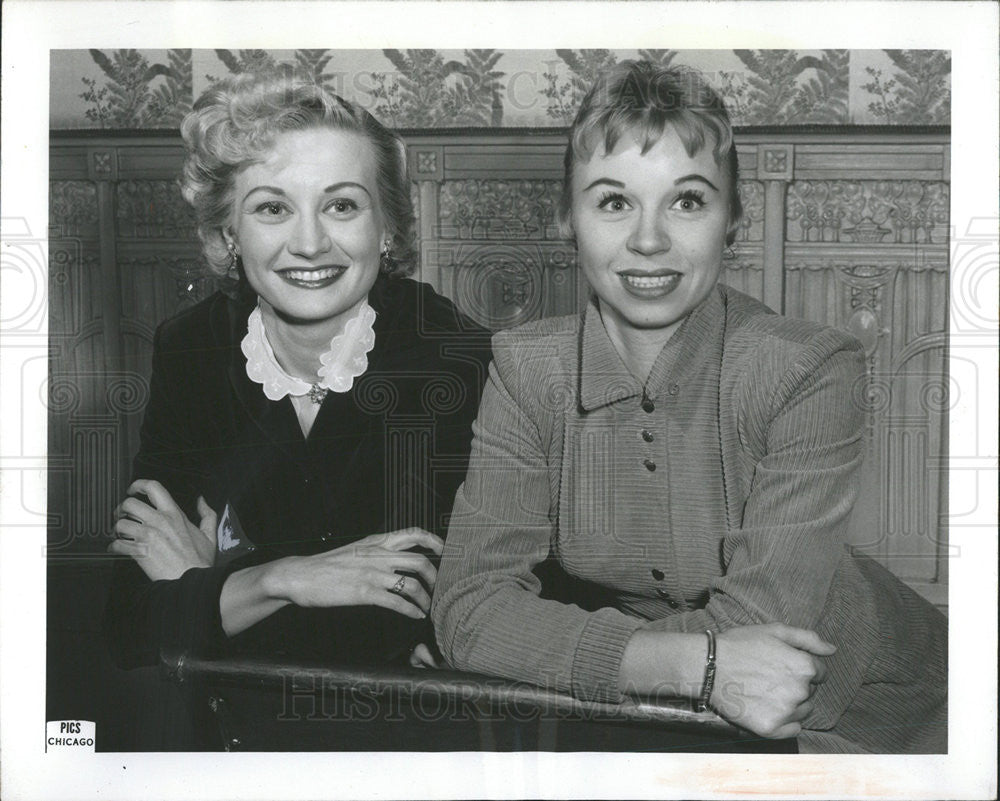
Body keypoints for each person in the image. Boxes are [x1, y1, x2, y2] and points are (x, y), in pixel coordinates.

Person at [432, 60, 947, 754]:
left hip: (889, 714)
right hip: (686, 710)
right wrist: (694, 666)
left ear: (732, 220)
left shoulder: (809, 369)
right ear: (566, 218)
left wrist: (527, 648)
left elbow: (758, 626)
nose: (649, 239)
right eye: (614, 201)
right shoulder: (527, 370)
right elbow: (468, 609)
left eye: (688, 201)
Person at [105, 68, 490, 700]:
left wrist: (220, 582)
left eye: (341, 205)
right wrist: (288, 579)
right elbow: (128, 627)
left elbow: (416, 639)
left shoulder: (460, 359)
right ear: (230, 234)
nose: (309, 244)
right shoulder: (192, 350)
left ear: (387, 228)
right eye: (272, 208)